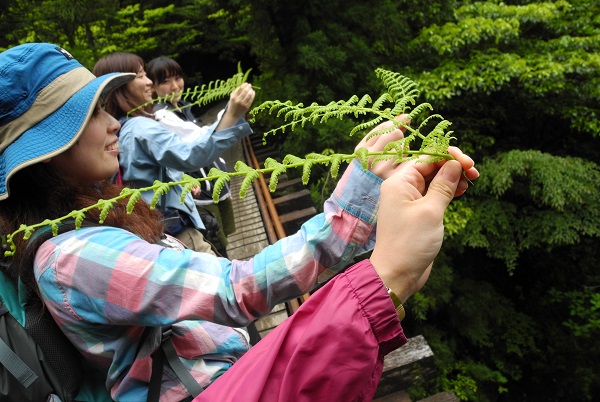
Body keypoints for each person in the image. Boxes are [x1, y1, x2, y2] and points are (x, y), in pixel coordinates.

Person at [0, 43, 478, 401]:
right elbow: (235, 289)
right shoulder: (72, 256)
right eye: (87, 115)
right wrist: (356, 208)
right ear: (41, 155)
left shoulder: (89, 224)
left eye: (106, 108)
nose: (112, 124)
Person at [93, 52, 254, 255]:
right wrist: (232, 114)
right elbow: (192, 154)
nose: (149, 82)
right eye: (141, 75)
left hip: (158, 232)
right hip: (179, 232)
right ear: (121, 85)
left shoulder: (119, 130)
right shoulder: (140, 127)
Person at [146, 56, 236, 258]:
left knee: (225, 237)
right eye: (166, 81)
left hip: (216, 185)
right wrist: (232, 110)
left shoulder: (183, 108)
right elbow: (200, 138)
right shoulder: (161, 116)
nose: (175, 86)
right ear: (153, 88)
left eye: (177, 78)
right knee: (217, 241)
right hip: (201, 193)